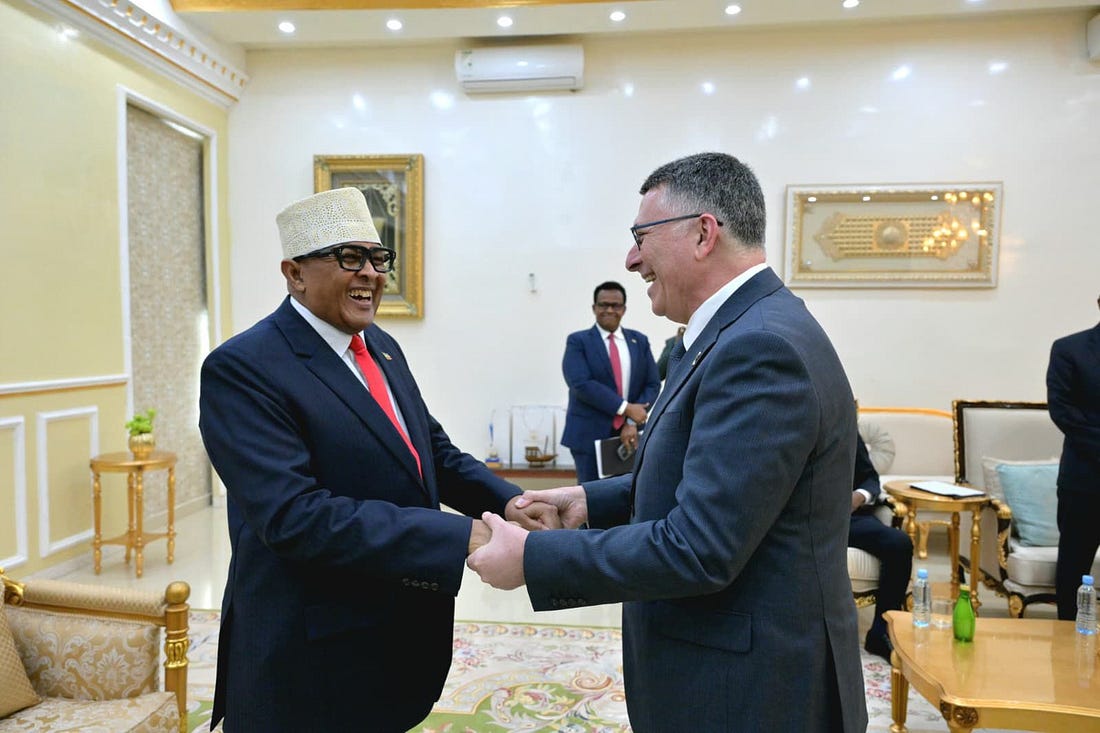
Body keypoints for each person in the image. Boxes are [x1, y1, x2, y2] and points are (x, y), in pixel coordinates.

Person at [469, 152, 867, 732]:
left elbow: (699, 547)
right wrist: (589, 500)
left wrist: (534, 559)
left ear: (703, 233)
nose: (631, 259)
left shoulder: (758, 349)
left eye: (641, 237)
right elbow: (704, 476)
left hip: (748, 690)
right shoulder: (739, 330)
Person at [198, 187, 527, 732]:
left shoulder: (381, 346)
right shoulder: (244, 368)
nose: (371, 274)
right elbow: (294, 517)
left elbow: (430, 451)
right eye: (350, 257)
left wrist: (510, 503)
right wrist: (461, 536)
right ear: (295, 273)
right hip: (309, 654)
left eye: (378, 258)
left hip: (392, 637)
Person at [560, 281, 660, 483]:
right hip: (588, 436)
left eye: (615, 305)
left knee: (629, 494)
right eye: (603, 305)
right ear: (594, 308)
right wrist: (626, 408)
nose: (609, 310)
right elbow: (580, 384)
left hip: (631, 435)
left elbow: (652, 384)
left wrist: (631, 421)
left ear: (624, 309)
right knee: (590, 497)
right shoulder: (578, 341)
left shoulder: (639, 341)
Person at [1046, 293, 1100, 620]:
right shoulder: (1070, 350)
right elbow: (1063, 412)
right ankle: (1067, 637)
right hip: (1085, 481)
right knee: (1073, 570)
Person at [849, 432, 914, 661]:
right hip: (804, 518)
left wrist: (858, 497)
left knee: (899, 543)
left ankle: (880, 633)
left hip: (848, 518)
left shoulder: (845, 426)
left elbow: (869, 478)